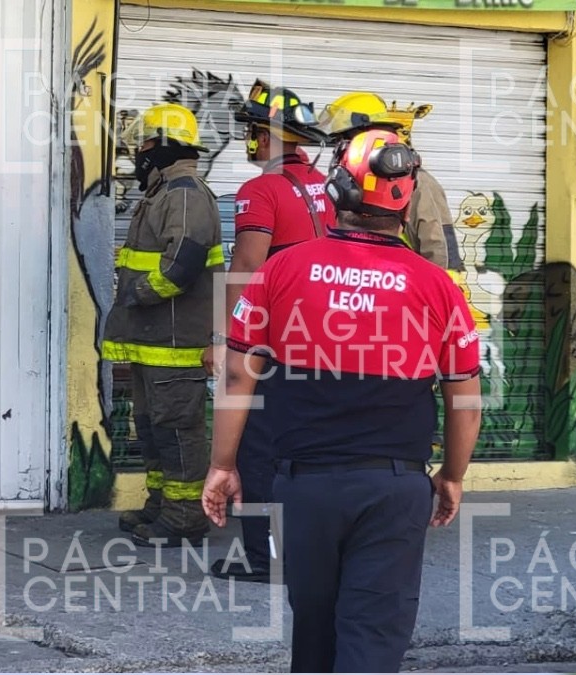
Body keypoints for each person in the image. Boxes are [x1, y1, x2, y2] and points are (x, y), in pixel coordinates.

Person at [202, 128, 482, 672]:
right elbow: (464, 398)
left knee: (314, 628)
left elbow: (239, 375)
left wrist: (222, 465)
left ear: (337, 192)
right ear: (405, 203)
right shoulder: (438, 286)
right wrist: (451, 475)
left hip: (303, 487)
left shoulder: (282, 269)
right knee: (373, 635)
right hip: (394, 489)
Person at [207, 79, 335, 584]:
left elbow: (246, 264)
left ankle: (265, 558)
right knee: (311, 447)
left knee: (257, 449)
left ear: (267, 136)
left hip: (272, 343)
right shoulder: (330, 187)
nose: (249, 140)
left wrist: (222, 340)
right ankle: (313, 551)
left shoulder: (260, 189)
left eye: (253, 131)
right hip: (327, 340)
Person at [106, 102, 223, 547]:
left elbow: (183, 264)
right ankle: (161, 504)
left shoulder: (186, 193)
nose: (139, 153)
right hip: (153, 340)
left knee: (177, 431)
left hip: (175, 341)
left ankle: (185, 517)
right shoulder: (164, 192)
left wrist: (139, 294)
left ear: (161, 146)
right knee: (154, 428)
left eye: (145, 144)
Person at [316, 91, 458, 271]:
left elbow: (435, 247)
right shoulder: (356, 178)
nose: (340, 150)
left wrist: (426, 289)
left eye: (344, 141)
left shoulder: (416, 181)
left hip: (401, 282)